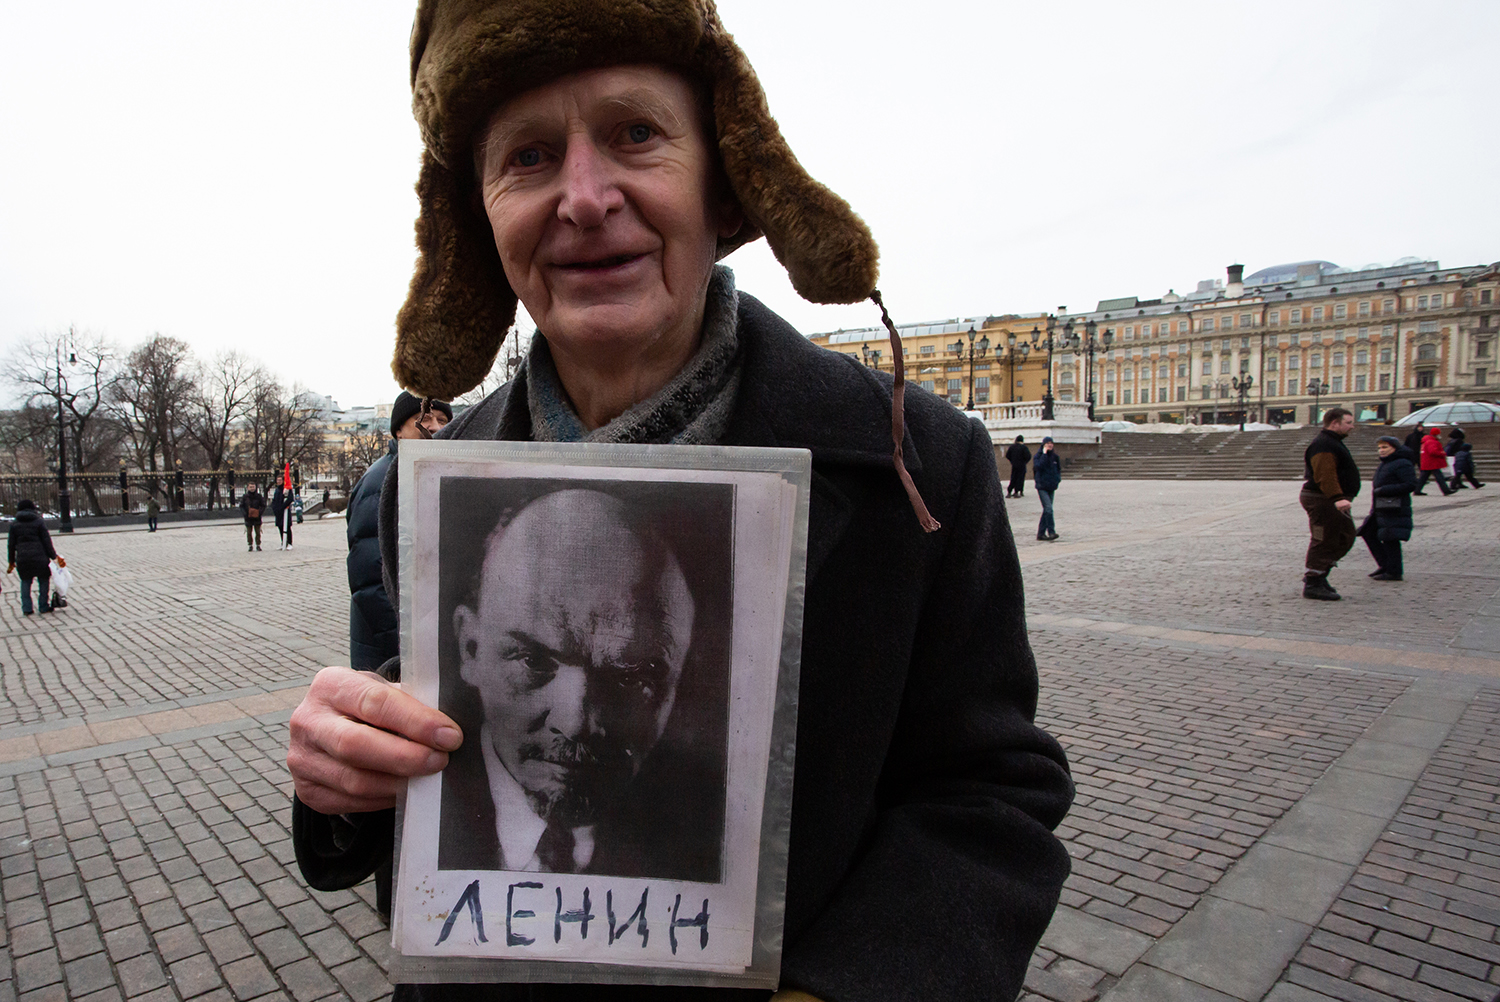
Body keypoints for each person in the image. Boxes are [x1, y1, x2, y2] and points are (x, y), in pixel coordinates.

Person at [286, 4, 1074, 1000]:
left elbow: (989, 793)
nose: (584, 198)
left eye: (635, 133)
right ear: (481, 216)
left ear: (726, 174)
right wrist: (346, 778)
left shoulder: (920, 462)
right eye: (528, 156)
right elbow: (434, 780)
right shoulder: (434, 484)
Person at [439, 488, 721, 879]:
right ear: (470, 648)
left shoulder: (710, 837)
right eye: (534, 661)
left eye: (631, 676)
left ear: (677, 682)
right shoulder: (417, 799)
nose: (574, 723)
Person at [348, 392, 453, 670]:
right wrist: (405, 647)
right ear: (398, 430)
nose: (435, 427)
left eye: (442, 419)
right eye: (424, 418)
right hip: (391, 650)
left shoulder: (432, 473)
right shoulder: (381, 483)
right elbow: (372, 582)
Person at [1300, 407, 1360, 600]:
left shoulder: (1332, 442)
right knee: (1324, 538)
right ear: (1335, 423)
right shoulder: (1324, 444)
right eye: (1348, 423)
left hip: (1329, 499)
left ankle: (1321, 574)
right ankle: (1313, 582)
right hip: (1323, 499)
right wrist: (1337, 497)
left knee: (1344, 536)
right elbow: (1325, 474)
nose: (1352, 426)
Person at [1358, 436, 1417, 581]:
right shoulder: (1386, 463)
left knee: (1390, 538)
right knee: (1368, 532)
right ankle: (1385, 565)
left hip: (1394, 507)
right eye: (1379, 448)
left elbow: (1410, 484)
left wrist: (1385, 490)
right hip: (1381, 507)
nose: (1381, 450)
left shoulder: (1402, 463)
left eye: (1385, 447)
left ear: (1394, 448)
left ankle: (1394, 571)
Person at [7, 499, 63, 616]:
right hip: (40, 557)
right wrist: (54, 556)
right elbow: (47, 541)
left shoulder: (14, 524)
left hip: (23, 558)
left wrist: (11, 561)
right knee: (43, 580)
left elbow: (11, 545)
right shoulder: (38, 522)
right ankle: (43, 606)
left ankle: (27, 608)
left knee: (25, 581)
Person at [1033, 436, 1061, 540]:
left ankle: (1040, 533)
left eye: (1051, 443)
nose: (1050, 445)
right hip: (1042, 486)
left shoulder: (1055, 457)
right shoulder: (1038, 456)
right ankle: (1051, 532)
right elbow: (1038, 467)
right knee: (1048, 509)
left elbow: (1058, 469)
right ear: (1043, 445)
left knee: (1047, 510)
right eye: (1047, 443)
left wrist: (1057, 479)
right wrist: (1044, 454)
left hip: (1051, 486)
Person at [1414, 426, 1454, 496]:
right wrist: (1442, 453)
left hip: (1427, 462)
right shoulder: (1432, 442)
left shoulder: (1426, 441)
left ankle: (1417, 490)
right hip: (1432, 463)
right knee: (1439, 477)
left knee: (1423, 478)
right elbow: (1433, 452)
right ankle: (1446, 490)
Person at [240, 484, 265, 552]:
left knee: (258, 532)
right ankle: (250, 545)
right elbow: (241, 506)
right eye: (250, 487)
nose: (252, 488)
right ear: (248, 488)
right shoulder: (245, 497)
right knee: (249, 532)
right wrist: (245, 514)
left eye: (253, 487)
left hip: (257, 517)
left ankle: (258, 545)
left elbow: (263, 505)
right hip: (248, 517)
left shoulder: (259, 496)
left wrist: (259, 513)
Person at [271, 482, 288, 549]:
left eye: (280, 480)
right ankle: (283, 542)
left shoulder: (286, 489)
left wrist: (282, 507)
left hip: (284, 511)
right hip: (278, 511)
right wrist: (274, 508)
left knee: (287, 527)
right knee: (280, 527)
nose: (278, 481)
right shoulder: (277, 490)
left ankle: (288, 542)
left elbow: (289, 499)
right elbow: (274, 500)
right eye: (277, 480)